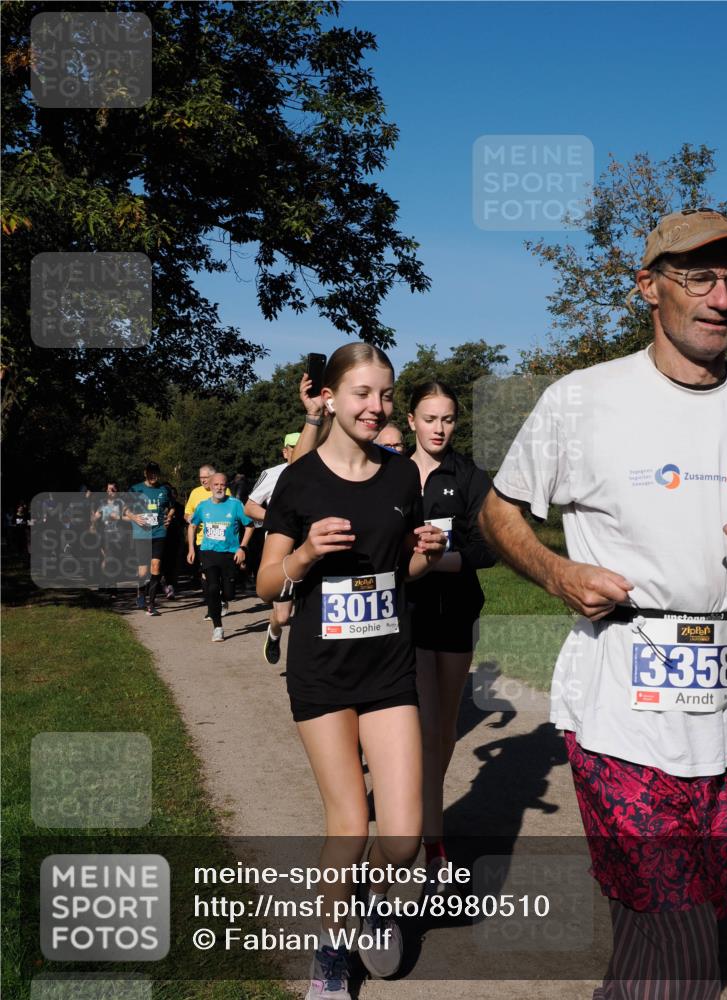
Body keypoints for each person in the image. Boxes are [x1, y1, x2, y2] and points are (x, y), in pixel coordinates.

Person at [479, 207, 727, 998]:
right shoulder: (583, 399)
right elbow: (499, 510)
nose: (722, 297)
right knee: (684, 948)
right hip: (620, 707)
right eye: (698, 277)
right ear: (648, 287)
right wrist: (555, 572)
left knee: (687, 924)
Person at [256, 342, 446, 1000]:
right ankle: (331, 951)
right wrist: (306, 553)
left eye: (386, 394)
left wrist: (427, 554)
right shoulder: (299, 481)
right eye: (363, 393)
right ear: (331, 397)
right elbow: (267, 582)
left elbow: (401, 573)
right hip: (324, 674)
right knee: (348, 826)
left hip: (389, 669)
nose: (376, 406)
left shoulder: (401, 477)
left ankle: (371, 898)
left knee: (403, 838)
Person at [405, 381, 495, 894]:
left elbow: (488, 547)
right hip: (408, 614)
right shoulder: (391, 473)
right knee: (425, 726)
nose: (439, 428)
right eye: (430, 418)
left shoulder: (469, 475)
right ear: (411, 420)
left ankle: (425, 821)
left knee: (443, 732)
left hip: (457, 611)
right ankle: (430, 840)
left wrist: (440, 560)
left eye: (448, 419)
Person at [244, 431, 301, 664]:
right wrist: (278, 519)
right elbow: (250, 507)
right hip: (280, 549)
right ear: (285, 451)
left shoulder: (322, 471)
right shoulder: (273, 474)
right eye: (294, 447)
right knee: (283, 615)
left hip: (311, 548)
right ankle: (274, 633)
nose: (300, 450)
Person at [188, 472, 252, 642]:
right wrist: (191, 549)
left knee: (229, 594)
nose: (219, 488)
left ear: (226, 486)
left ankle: (225, 599)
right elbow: (192, 526)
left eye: (222, 485)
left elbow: (250, 526)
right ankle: (218, 627)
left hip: (230, 553)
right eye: (216, 485)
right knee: (213, 588)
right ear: (210, 486)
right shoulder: (203, 506)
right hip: (208, 552)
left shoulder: (235, 505)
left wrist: (242, 548)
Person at [124, 462, 174, 615]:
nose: (153, 475)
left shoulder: (164, 489)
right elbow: (125, 509)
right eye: (150, 472)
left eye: (155, 472)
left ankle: (151, 604)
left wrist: (169, 517)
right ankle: (141, 593)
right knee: (143, 569)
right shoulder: (135, 489)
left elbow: (172, 507)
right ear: (145, 473)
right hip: (141, 534)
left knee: (156, 566)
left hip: (159, 532)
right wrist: (134, 517)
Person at [185, 464, 229, 617]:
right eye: (201, 478)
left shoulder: (223, 490)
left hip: (223, 541)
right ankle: (212, 607)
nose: (203, 480)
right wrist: (190, 518)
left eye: (206, 477)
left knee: (221, 575)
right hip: (202, 541)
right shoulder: (195, 493)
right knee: (206, 575)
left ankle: (223, 598)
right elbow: (187, 513)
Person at [93, 482, 126, 587]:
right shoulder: (103, 503)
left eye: (112, 489)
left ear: (117, 491)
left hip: (118, 536)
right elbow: (95, 517)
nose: (110, 492)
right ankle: (112, 585)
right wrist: (94, 524)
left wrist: (118, 517)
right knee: (109, 558)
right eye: (108, 490)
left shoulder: (121, 503)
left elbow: (129, 517)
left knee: (111, 559)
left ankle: (103, 580)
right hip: (106, 535)